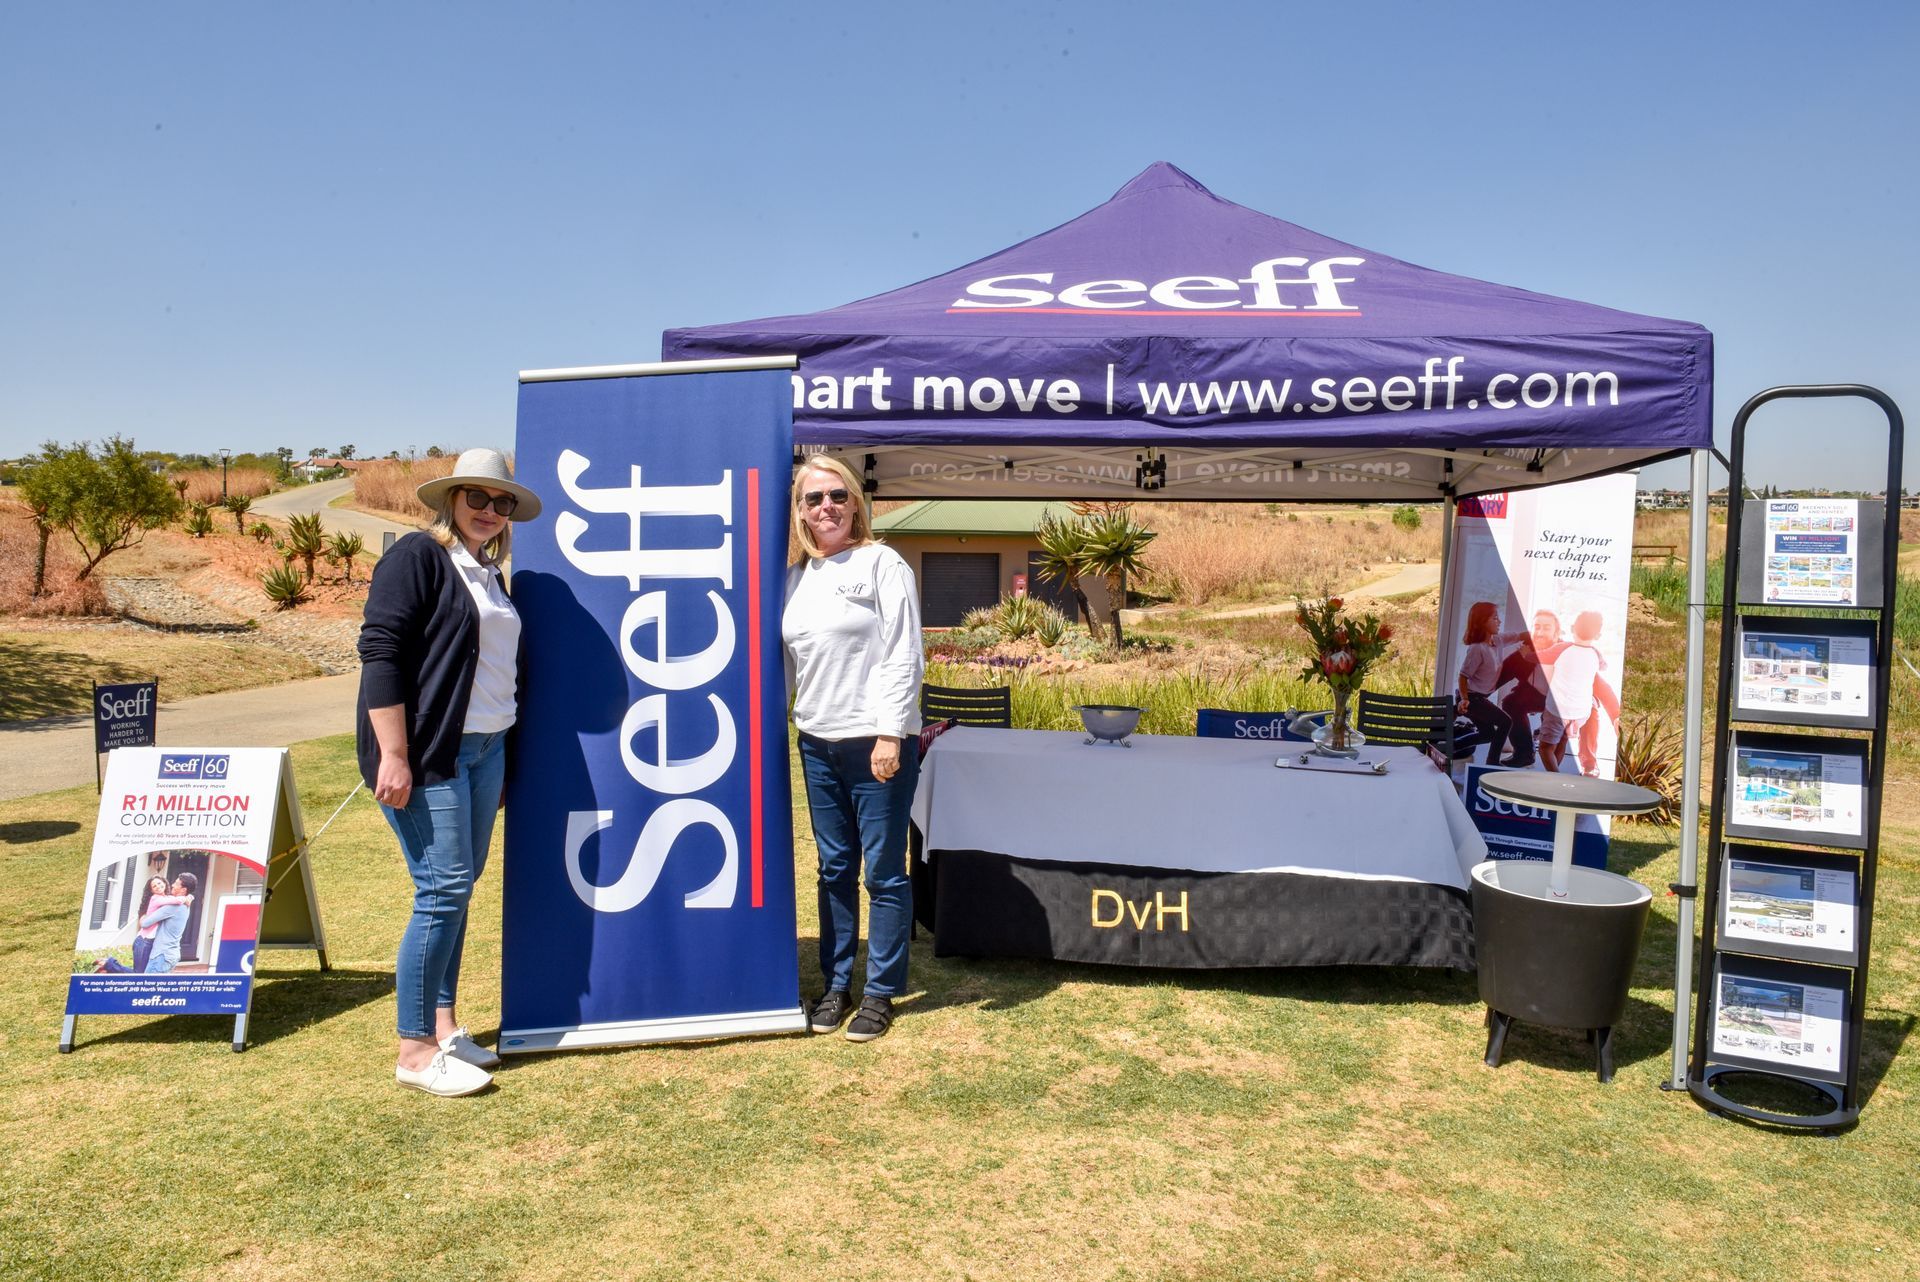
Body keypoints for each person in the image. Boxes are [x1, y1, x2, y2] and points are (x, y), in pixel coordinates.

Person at [357, 447, 540, 1097]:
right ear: (450, 500)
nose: (489, 509)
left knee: (457, 889)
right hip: (431, 752)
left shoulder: (489, 573)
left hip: (487, 750)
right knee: (442, 889)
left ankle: (444, 1025)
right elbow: (380, 651)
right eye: (477, 497)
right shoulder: (418, 556)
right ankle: (414, 1051)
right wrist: (394, 754)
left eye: (501, 501)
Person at [782, 455, 923, 1043]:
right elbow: (790, 665)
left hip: (875, 744)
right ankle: (836, 985)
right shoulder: (795, 577)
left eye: (837, 495)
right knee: (834, 868)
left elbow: (904, 652)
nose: (827, 507)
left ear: (855, 502)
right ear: (800, 510)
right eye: (814, 498)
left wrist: (891, 732)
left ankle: (880, 992)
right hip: (817, 743)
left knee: (884, 874)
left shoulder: (883, 563)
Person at [1455, 601, 1520, 765]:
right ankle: (1492, 762)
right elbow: (1462, 676)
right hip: (1470, 698)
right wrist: (1464, 699)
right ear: (1482, 622)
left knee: (1488, 734)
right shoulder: (1477, 649)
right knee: (1506, 722)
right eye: (1495, 618)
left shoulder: (1498, 640)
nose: (1499, 621)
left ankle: (1448, 748)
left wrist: (1541, 638)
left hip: (1480, 697)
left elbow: (1520, 636)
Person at [97, 873, 197, 973]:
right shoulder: (181, 905)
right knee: (140, 976)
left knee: (141, 978)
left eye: (176, 883)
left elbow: (145, 923)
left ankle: (109, 965)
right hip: (165, 951)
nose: (172, 885)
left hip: (161, 954)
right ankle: (109, 965)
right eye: (154, 886)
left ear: (183, 890)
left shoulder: (173, 906)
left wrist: (143, 918)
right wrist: (188, 897)